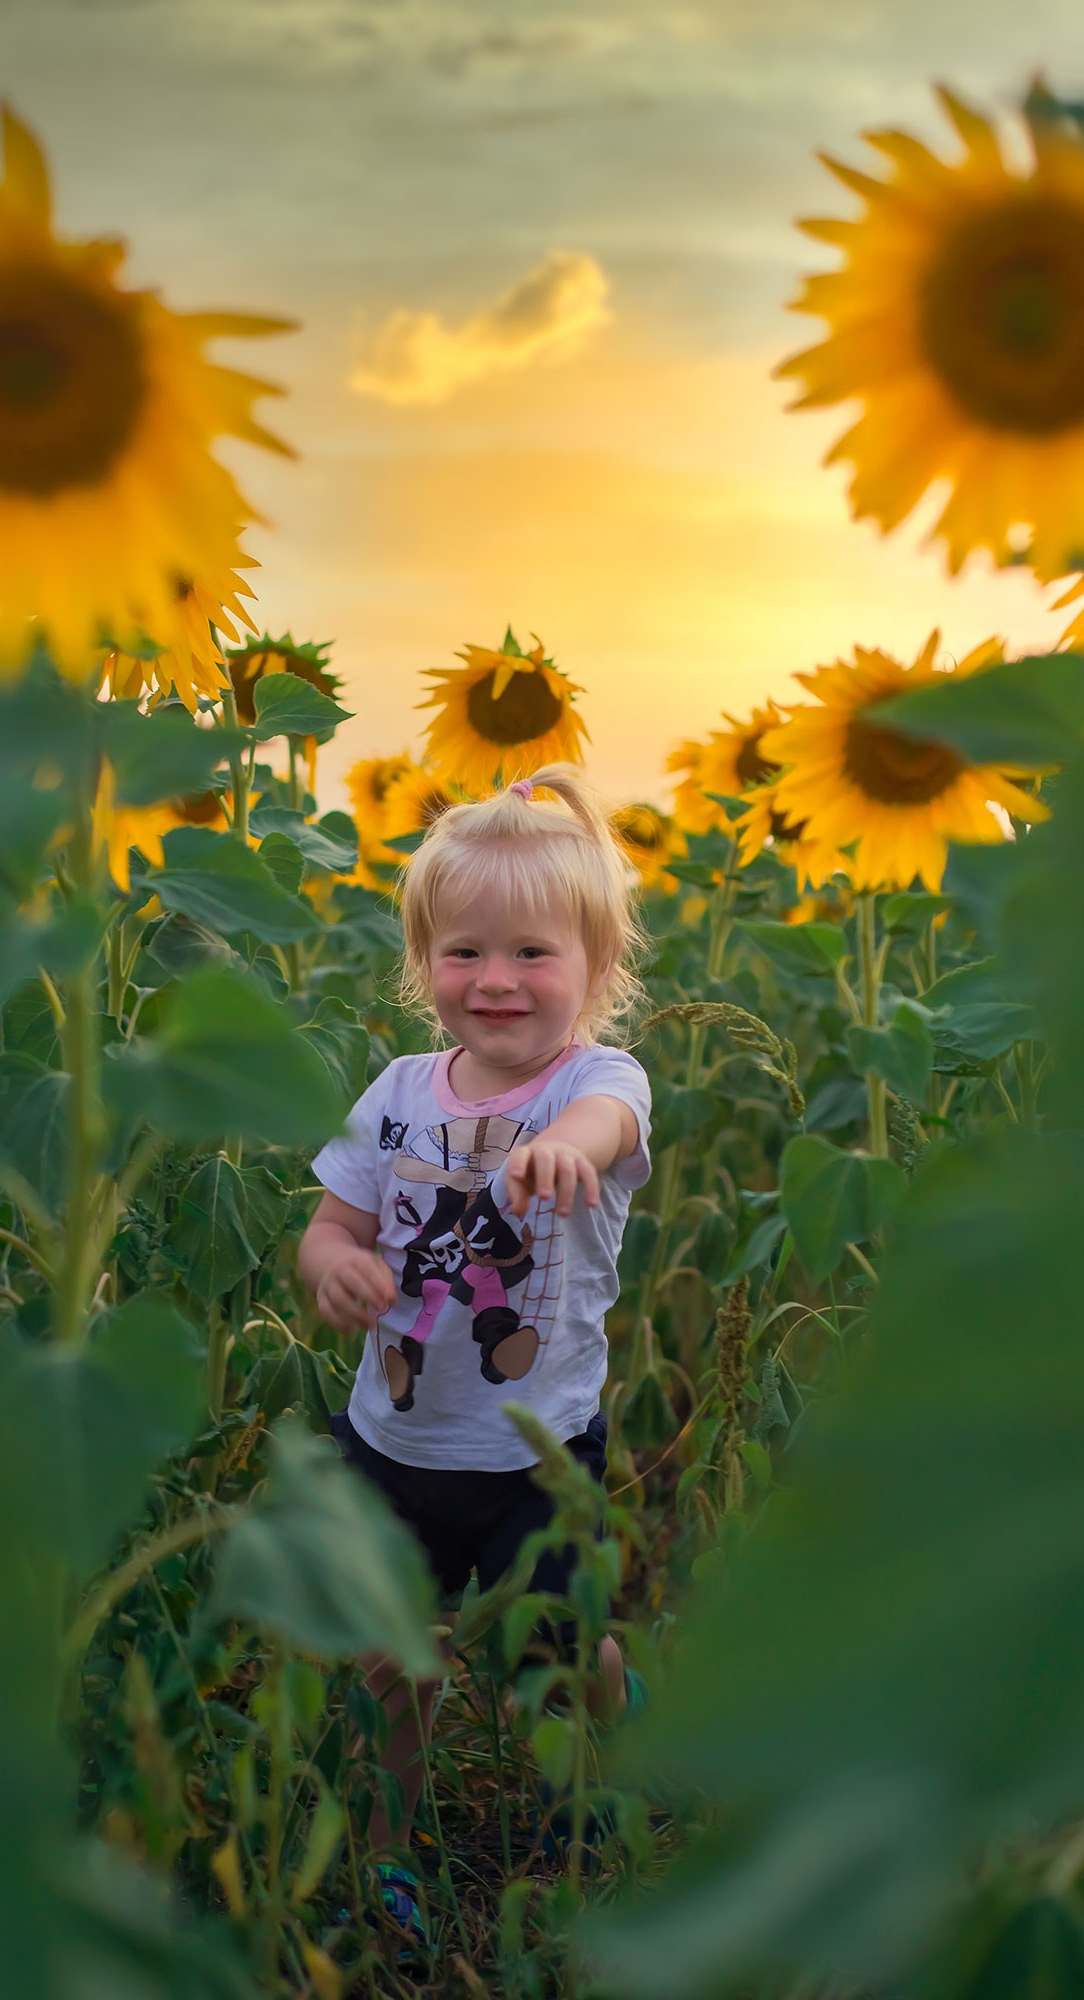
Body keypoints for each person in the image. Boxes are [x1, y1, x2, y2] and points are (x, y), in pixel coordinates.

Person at [297, 762, 653, 1943]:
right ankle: (384, 1852)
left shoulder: (598, 1082)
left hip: (536, 1454)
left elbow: (608, 1126)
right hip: (392, 1441)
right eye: (464, 951)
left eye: (532, 952)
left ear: (597, 965)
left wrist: (563, 1149)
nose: (496, 978)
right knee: (390, 1660)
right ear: (424, 961)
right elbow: (334, 1222)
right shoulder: (397, 1091)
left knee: (554, 1650)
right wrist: (333, 1266)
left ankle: (587, 1784)